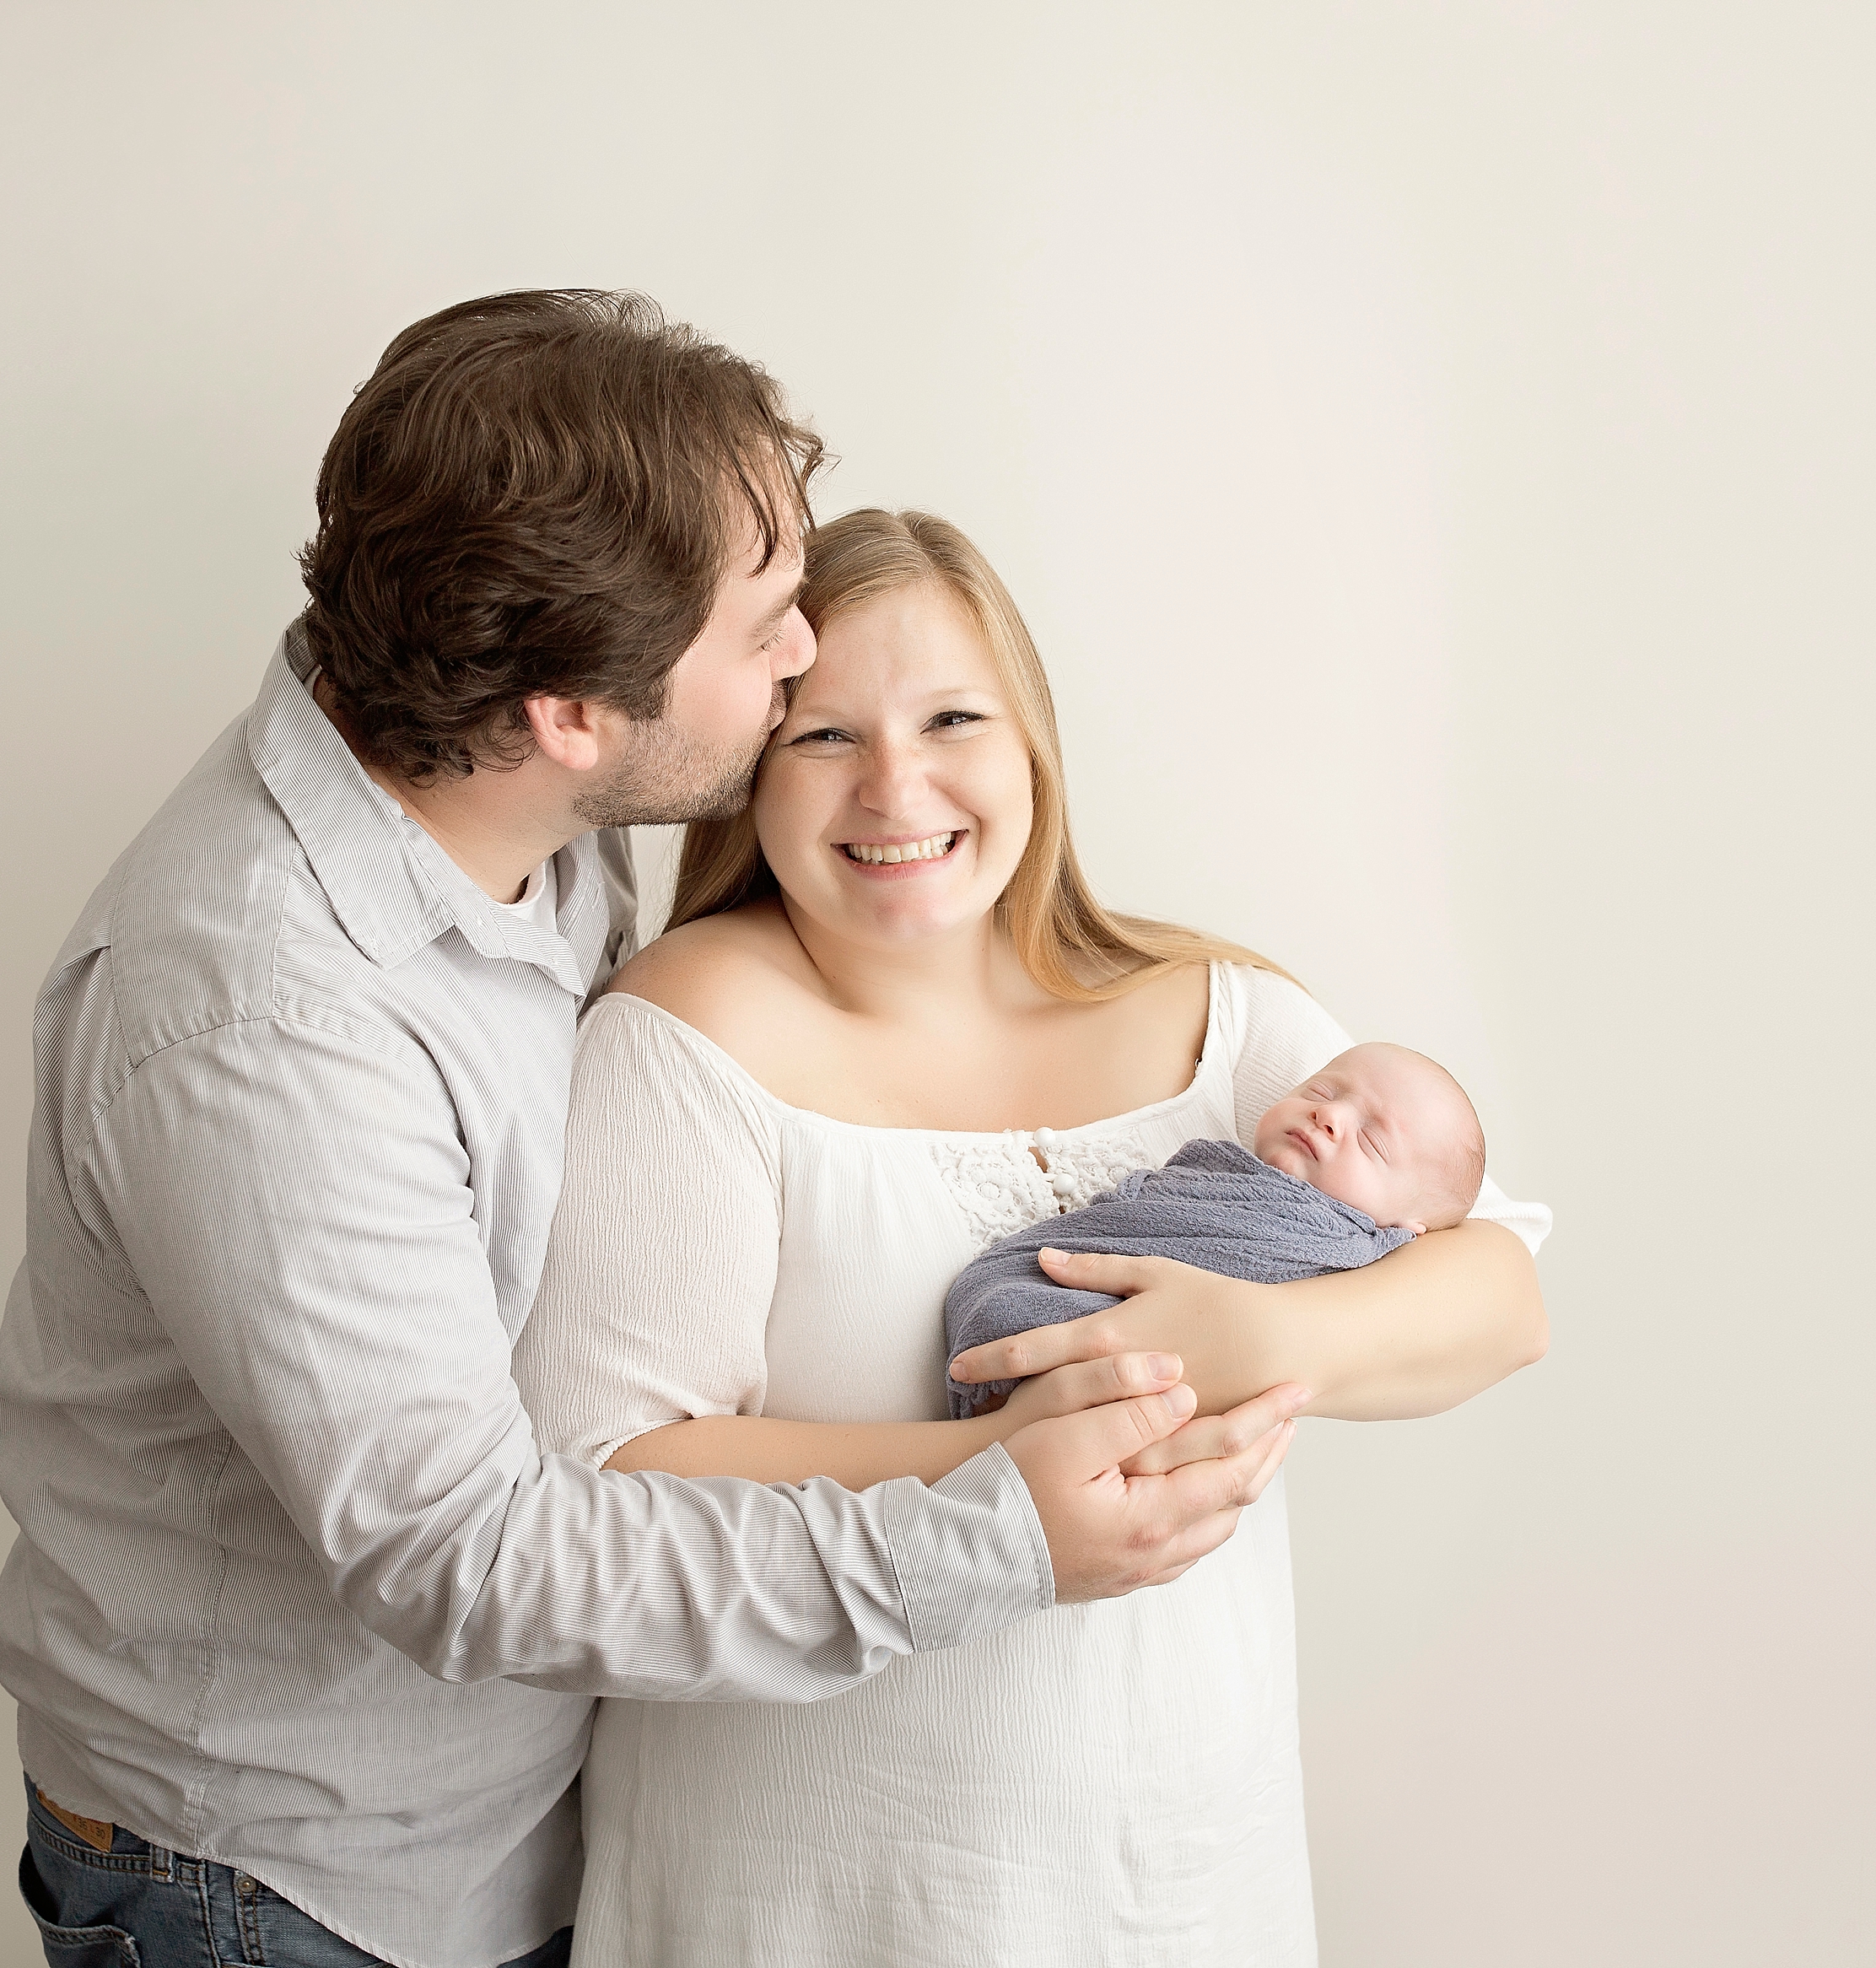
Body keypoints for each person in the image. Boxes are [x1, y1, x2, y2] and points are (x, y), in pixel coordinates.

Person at [0, 294, 1302, 1968]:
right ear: (569, 712)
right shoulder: (262, 1021)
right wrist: (995, 1521)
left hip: (532, 1815)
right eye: (764, 629)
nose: (802, 650)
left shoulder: (526, 796)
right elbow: (467, 1552)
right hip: (295, 1877)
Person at [512, 508, 1552, 1964]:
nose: (897, 784)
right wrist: (1001, 1478)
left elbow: (1501, 1290)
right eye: (824, 737)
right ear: (750, 773)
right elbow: (594, 1469)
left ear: (1033, 746)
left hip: (1180, 1883)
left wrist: (1267, 1338)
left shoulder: (1219, 1017)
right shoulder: (683, 1038)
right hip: (813, 1895)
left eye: (953, 717)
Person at [944, 1041, 1496, 1416]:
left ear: (1406, 1230)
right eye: (1321, 1093)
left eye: (1373, 1142)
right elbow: (1141, 1217)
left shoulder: (1347, 1248)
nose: (1329, 1116)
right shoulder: (1215, 1172)